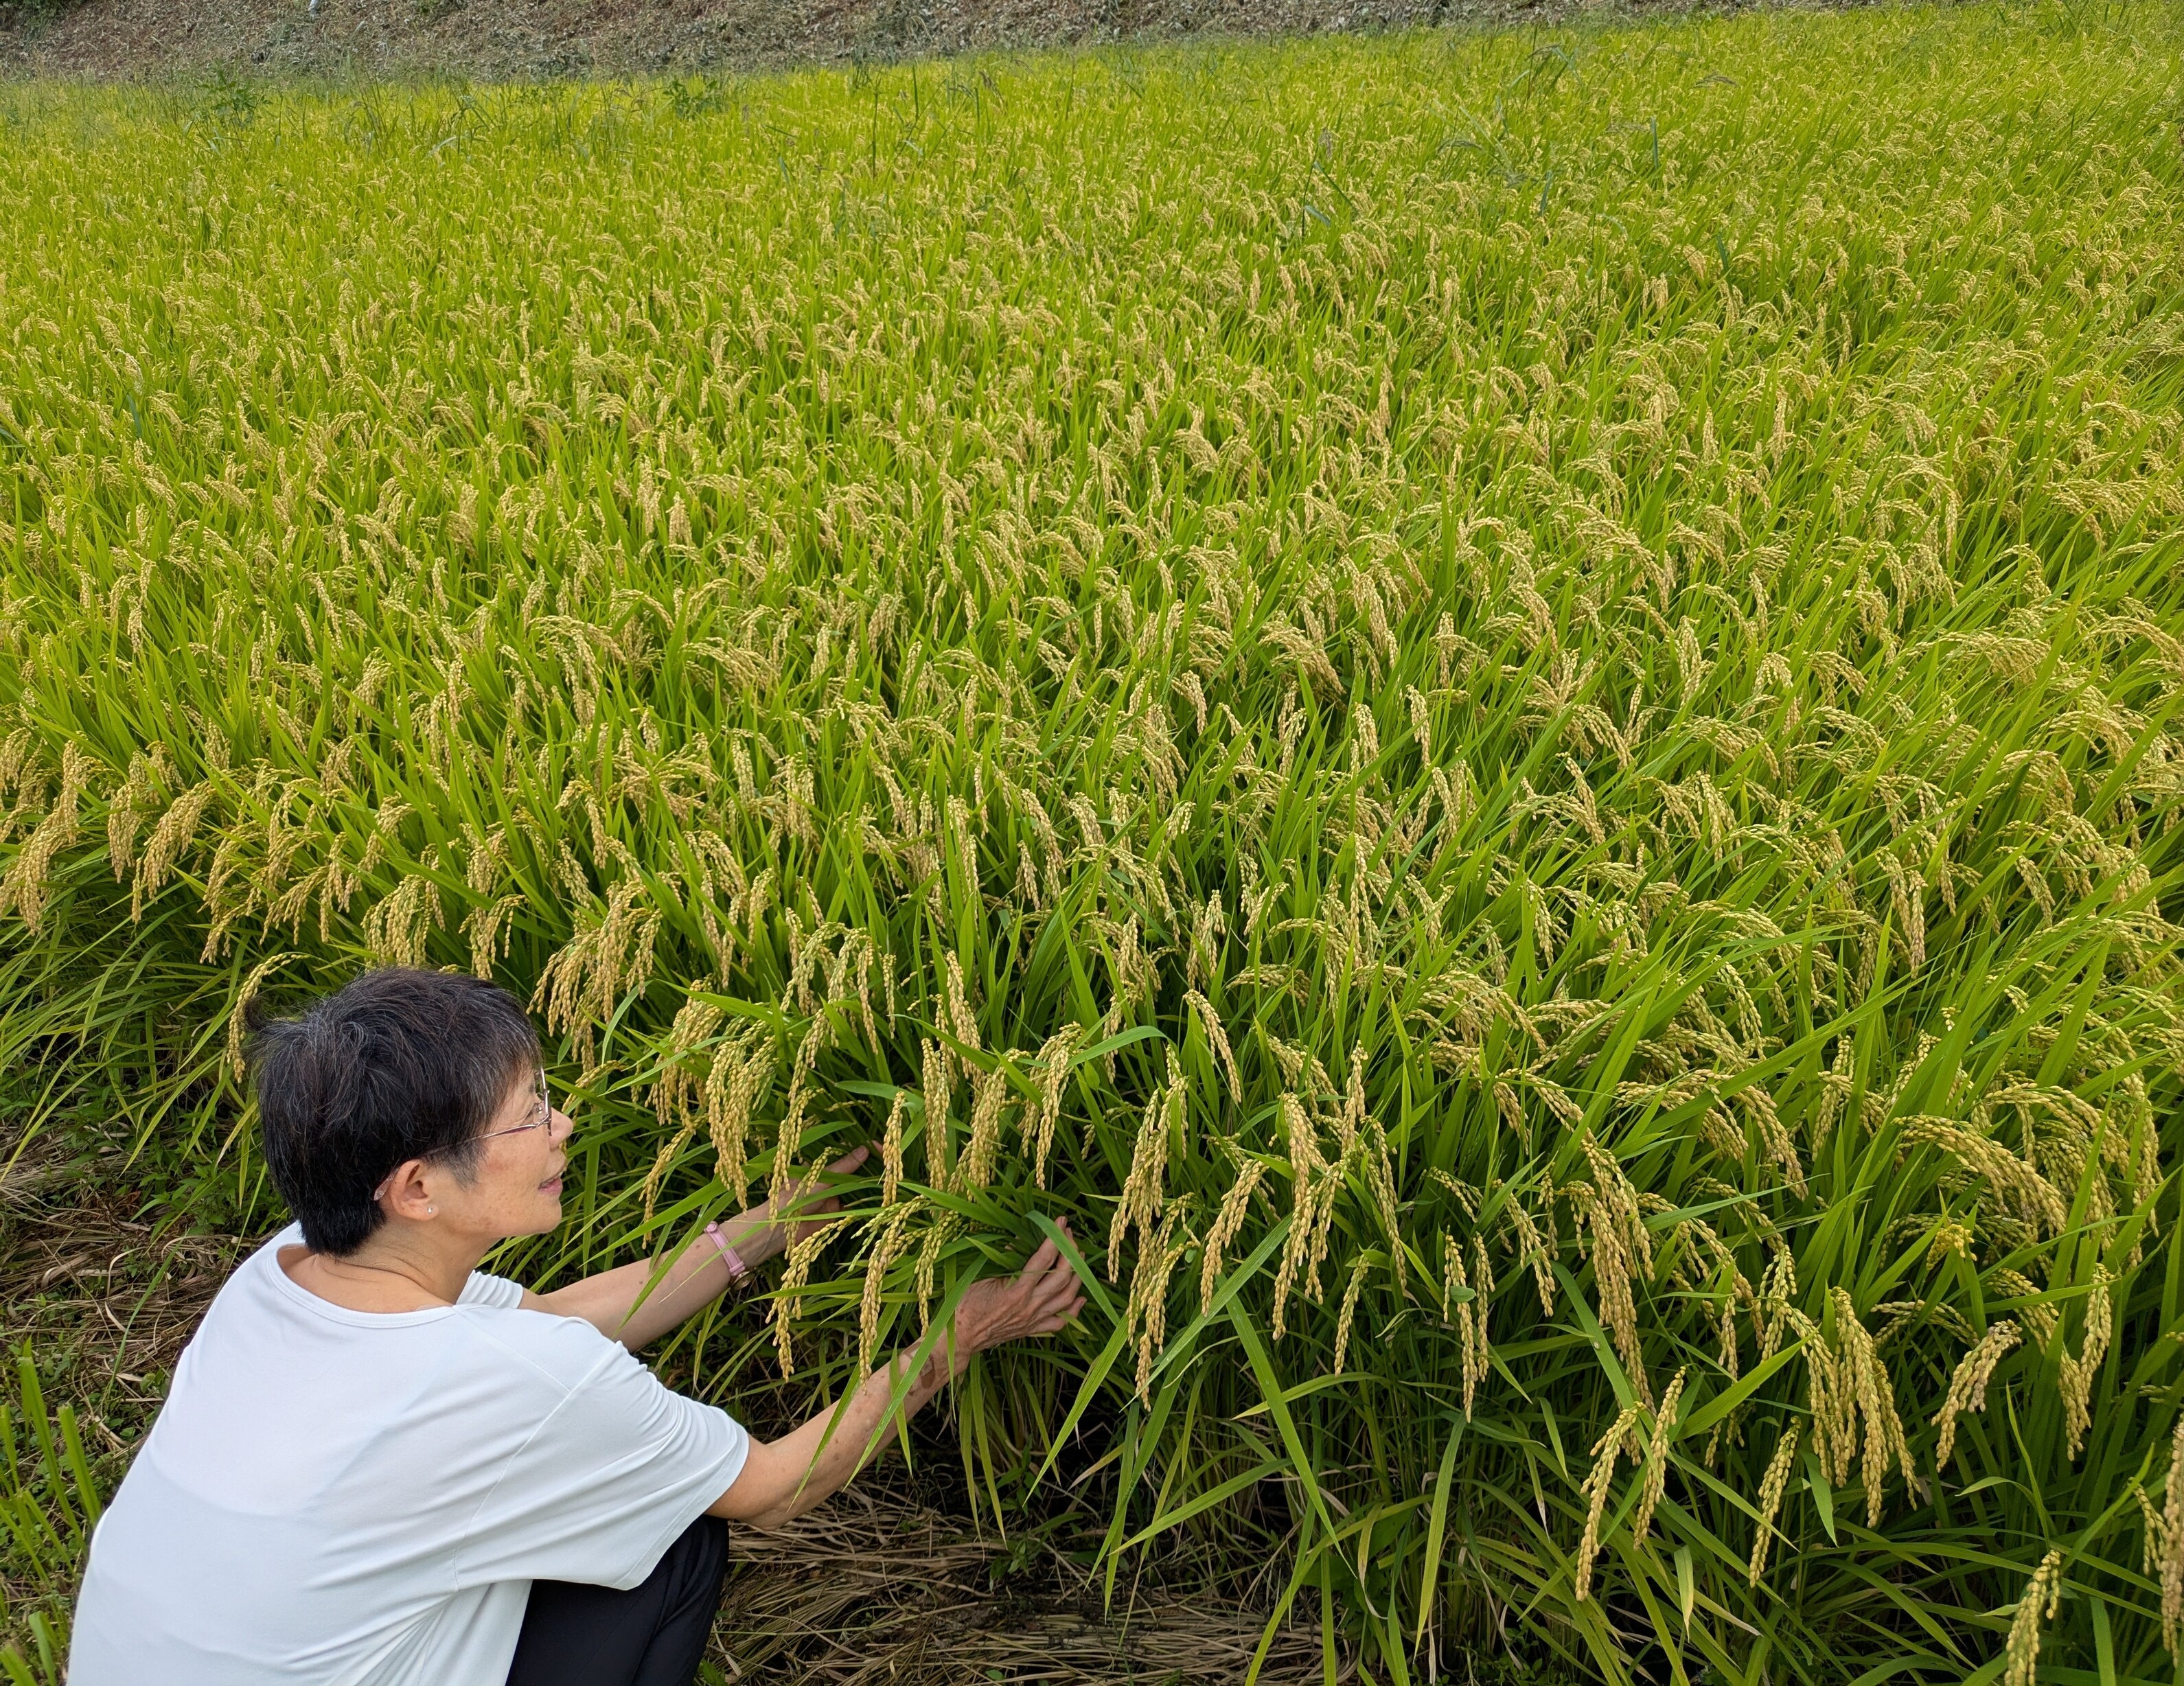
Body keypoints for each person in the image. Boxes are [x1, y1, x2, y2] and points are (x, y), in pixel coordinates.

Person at [69, 966, 1084, 1686]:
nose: (562, 1126)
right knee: (678, 1538)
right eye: (529, 1114)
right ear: (418, 1187)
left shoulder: (283, 1272)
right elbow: (780, 1486)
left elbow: (556, 1318)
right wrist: (958, 1334)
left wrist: (776, 1223)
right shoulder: (521, 1380)